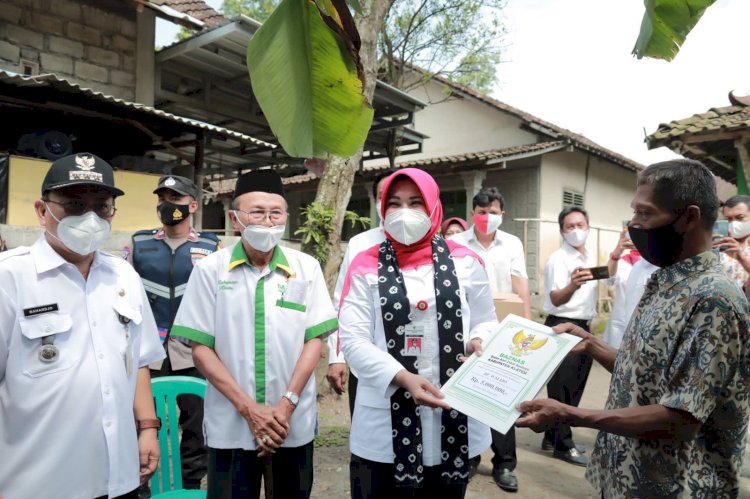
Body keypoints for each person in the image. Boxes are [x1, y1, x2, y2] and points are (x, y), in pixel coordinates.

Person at [517, 159, 750, 498]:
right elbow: (646, 376)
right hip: (624, 480)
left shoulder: (714, 300)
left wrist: (572, 414)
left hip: (674, 487)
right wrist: (593, 345)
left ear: (689, 217)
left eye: (644, 213)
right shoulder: (665, 282)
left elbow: (681, 417)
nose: (633, 225)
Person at [0, 153, 165, 498]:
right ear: (42, 210)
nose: (90, 218)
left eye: (101, 206)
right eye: (75, 204)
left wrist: (148, 427)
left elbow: (138, 361)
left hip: (117, 476)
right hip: (38, 482)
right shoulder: (10, 277)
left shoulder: (124, 275)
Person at [171, 169, 337, 499]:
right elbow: (201, 348)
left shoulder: (306, 268)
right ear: (236, 219)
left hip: (290, 425)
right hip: (231, 426)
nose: (267, 220)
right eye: (257, 212)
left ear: (286, 218)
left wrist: (286, 405)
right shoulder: (210, 270)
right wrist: (249, 409)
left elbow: (313, 340)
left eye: (275, 213)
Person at [339, 168, 497, 499]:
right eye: (394, 203)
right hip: (385, 418)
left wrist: (478, 340)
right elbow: (353, 340)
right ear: (382, 209)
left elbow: (485, 319)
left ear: (433, 207)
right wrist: (402, 377)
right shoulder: (365, 264)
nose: (405, 212)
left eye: (415, 202)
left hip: (453, 414)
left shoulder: (467, 261)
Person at [131, 175, 221, 493]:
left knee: (196, 422)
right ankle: (143, 485)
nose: (169, 206)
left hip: (193, 346)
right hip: (149, 349)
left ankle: (191, 483)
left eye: (177, 199)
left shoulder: (210, 246)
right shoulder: (139, 244)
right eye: (163, 199)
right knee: (144, 420)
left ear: (193, 205)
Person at [449, 187, 532, 491]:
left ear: (502, 214)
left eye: (492, 212)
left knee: (504, 397)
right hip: (464, 331)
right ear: (473, 213)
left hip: (503, 332)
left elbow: (521, 285)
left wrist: (527, 327)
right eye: (481, 212)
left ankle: (505, 463)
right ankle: (469, 458)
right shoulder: (454, 243)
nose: (487, 217)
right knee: (467, 396)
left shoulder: (511, 244)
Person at [327, 168, 396, 415]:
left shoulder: (440, 251)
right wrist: (337, 356)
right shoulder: (361, 244)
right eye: (383, 196)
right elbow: (341, 303)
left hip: (423, 367)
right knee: (368, 441)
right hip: (365, 363)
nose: (391, 204)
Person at [539, 206, 597, 467]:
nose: (576, 231)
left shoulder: (590, 257)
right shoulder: (557, 259)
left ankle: (552, 435)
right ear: (562, 231)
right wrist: (573, 285)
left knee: (576, 385)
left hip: (585, 325)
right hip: (563, 324)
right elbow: (555, 298)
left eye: (580, 225)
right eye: (570, 226)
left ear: (588, 226)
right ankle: (564, 444)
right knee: (561, 388)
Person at [601, 228, 657, 349]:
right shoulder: (621, 262)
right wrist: (617, 252)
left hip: (646, 329)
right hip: (620, 326)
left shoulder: (657, 263)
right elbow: (608, 280)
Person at [713, 194, 750, 286]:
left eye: (740, 217)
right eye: (728, 219)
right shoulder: (719, 244)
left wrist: (741, 258)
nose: (733, 223)